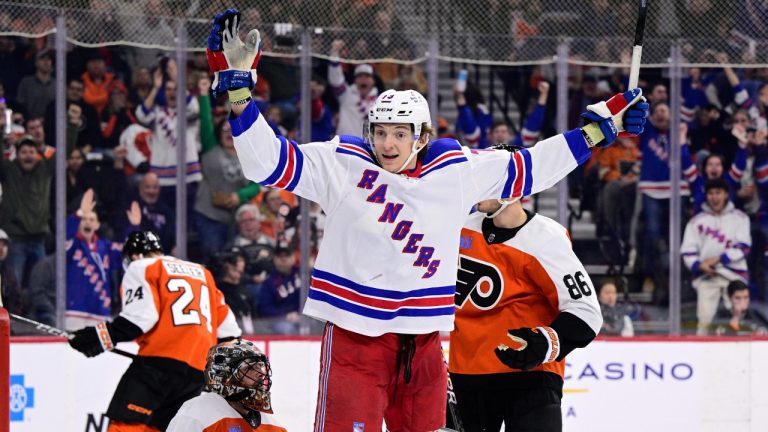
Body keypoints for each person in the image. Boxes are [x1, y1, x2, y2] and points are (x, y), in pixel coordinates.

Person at [206, 9, 647, 429]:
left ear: (421, 137)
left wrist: (600, 129)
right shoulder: (342, 165)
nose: (388, 143)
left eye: (400, 133)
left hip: (424, 347)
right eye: (380, 132)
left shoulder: (455, 171)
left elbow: (534, 164)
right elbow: (266, 163)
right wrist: (240, 94)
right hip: (355, 341)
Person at [448, 195, 602, 431]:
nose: (477, 186)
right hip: (467, 375)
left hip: (531, 377)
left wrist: (545, 343)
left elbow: (586, 310)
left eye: (489, 176)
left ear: (513, 186)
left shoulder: (546, 238)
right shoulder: (460, 228)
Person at [68, 230, 242, 431]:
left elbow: (141, 318)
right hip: (196, 372)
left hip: (157, 365)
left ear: (134, 256)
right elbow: (230, 332)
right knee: (164, 428)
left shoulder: (142, 266)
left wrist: (98, 337)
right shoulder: (203, 273)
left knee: (127, 425)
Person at [681, 178, 751, 335]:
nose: (714, 197)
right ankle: (701, 355)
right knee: (704, 322)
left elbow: (743, 247)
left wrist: (718, 259)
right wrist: (700, 265)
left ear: (726, 194)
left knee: (739, 319)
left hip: (734, 276)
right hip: (708, 276)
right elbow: (687, 251)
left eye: (718, 193)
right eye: (711, 193)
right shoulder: (696, 221)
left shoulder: (740, 218)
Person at [167, 339, 285, 431]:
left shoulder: (273, 426)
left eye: (260, 366)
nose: (261, 374)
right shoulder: (197, 415)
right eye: (250, 368)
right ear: (225, 377)